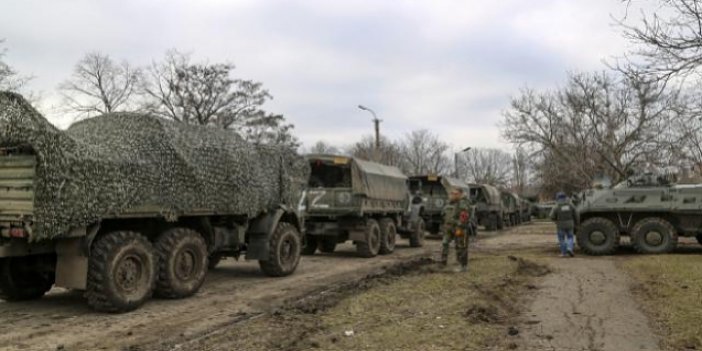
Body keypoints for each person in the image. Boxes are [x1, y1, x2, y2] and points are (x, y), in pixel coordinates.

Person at [440, 187, 472, 272]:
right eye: (452, 193)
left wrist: (459, 226)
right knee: (448, 244)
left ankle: (463, 266)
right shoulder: (451, 203)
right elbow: (444, 214)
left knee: (461, 246)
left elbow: (464, 217)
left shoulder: (463, 203)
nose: (453, 195)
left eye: (455, 194)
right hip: (450, 227)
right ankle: (445, 262)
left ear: (460, 194)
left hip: (460, 228)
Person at [550, 192, 577, 257]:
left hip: (560, 225)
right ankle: (570, 248)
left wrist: (555, 220)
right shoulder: (571, 205)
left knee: (561, 239)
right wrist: (576, 222)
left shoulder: (556, 206)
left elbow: (551, 216)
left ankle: (563, 253)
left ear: (558, 198)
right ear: (565, 197)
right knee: (570, 237)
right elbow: (576, 214)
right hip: (570, 224)